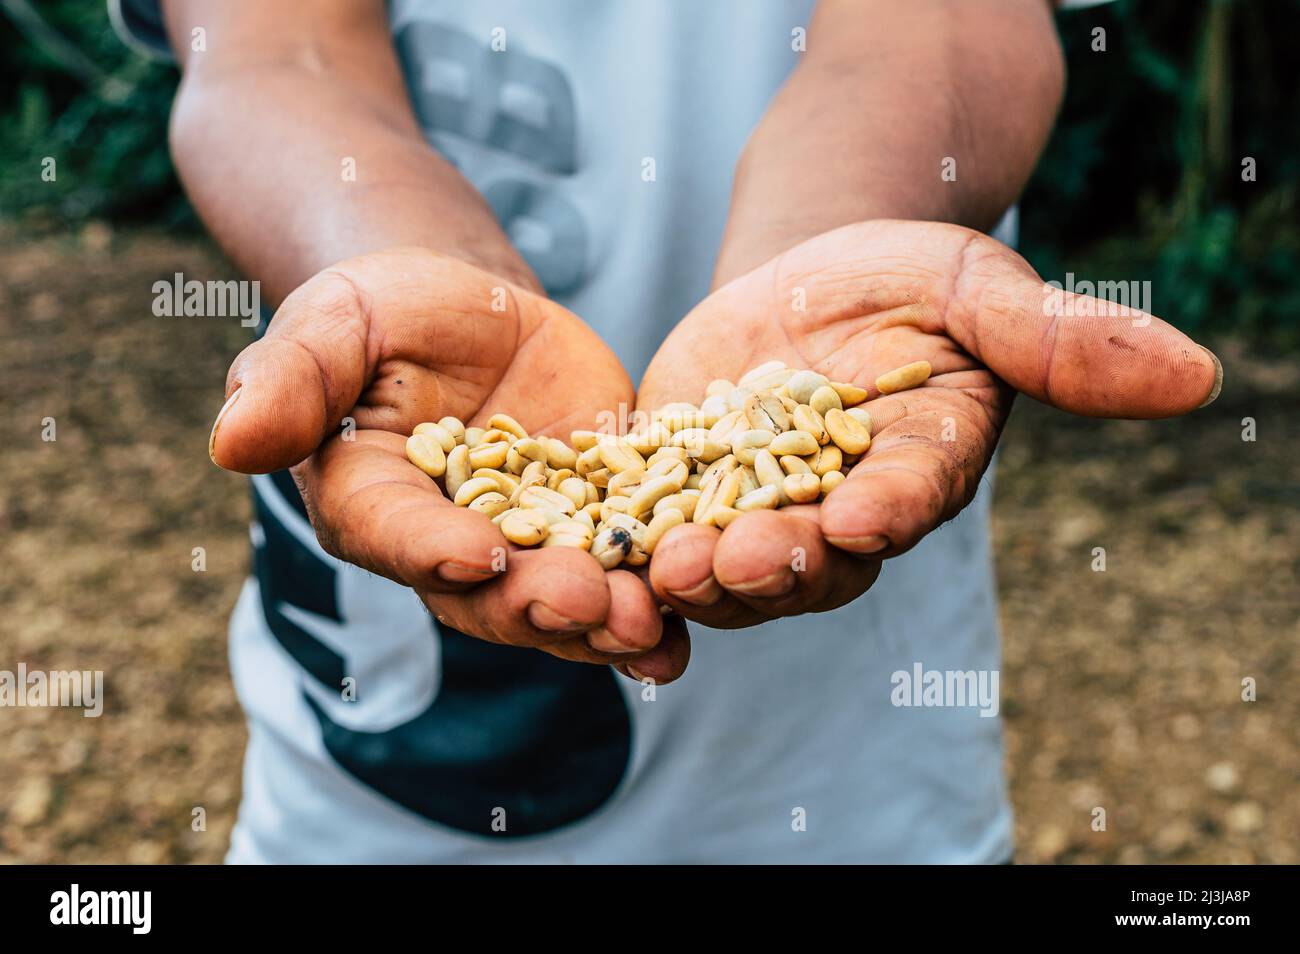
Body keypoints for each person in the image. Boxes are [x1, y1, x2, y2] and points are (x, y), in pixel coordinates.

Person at [112, 0, 1219, 862]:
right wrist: (389, 265)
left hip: (844, 771)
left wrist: (838, 239)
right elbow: (274, 49)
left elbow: (940, 21)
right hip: (384, 746)